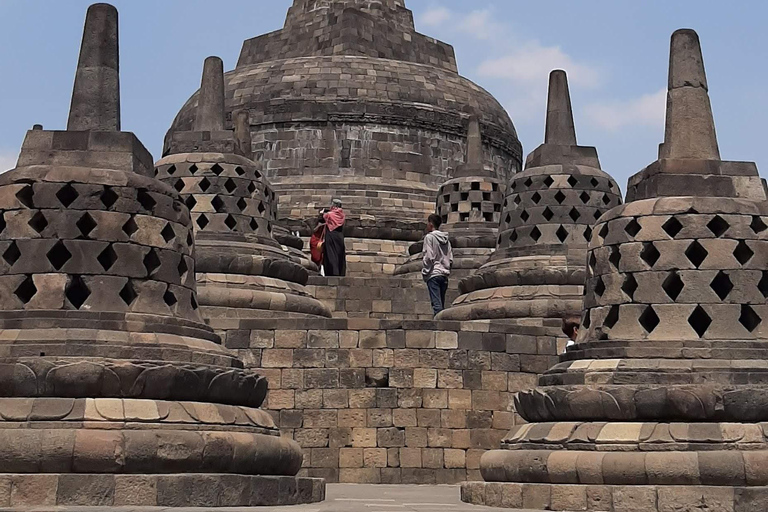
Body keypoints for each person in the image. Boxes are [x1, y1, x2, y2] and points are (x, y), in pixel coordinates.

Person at [422, 214, 453, 317]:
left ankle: (439, 328)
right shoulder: (446, 239)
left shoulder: (429, 237)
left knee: (436, 305)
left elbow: (429, 257)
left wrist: (425, 271)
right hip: (444, 274)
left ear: (431, 224)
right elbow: (451, 258)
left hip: (434, 273)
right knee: (441, 304)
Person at [322, 199, 346, 276]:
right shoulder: (342, 215)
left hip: (331, 236)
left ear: (334, 205)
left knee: (331, 254)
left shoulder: (329, 214)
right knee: (339, 254)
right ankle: (339, 272)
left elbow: (323, 217)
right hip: (339, 236)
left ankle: (333, 272)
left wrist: (322, 213)